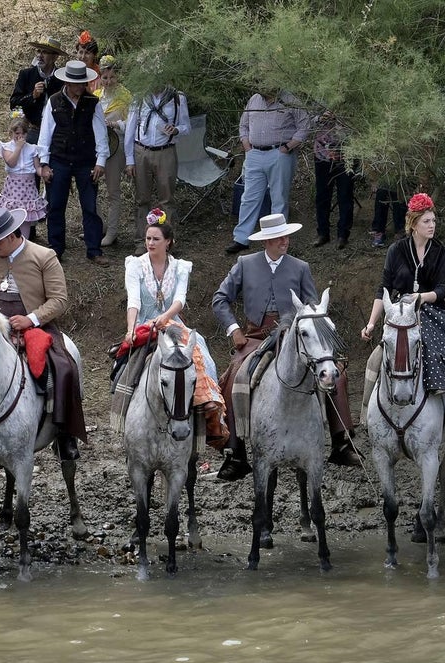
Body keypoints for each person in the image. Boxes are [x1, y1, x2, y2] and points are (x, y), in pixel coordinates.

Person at [211, 214, 359, 481]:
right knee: (234, 378)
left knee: (338, 374)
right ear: (267, 240)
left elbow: (314, 308)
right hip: (255, 337)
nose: (285, 241)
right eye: (280, 237)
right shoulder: (244, 264)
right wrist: (234, 329)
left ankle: (341, 441)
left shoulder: (300, 267)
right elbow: (220, 299)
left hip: (296, 338)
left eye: (287, 236)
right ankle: (236, 452)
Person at [0, 207, 86, 459]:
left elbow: (59, 300)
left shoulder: (44, 256)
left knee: (64, 366)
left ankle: (64, 432)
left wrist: (30, 319)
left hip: (33, 324)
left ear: (11, 236)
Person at [359, 194, 445, 442]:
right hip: (400, 312)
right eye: (426, 221)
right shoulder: (396, 250)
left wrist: (420, 298)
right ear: (414, 224)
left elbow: (442, 289)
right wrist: (371, 323)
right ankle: (367, 415)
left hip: (433, 310)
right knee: (375, 359)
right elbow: (383, 288)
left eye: (433, 220)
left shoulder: (442, 252)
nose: (432, 225)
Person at [120, 210, 226, 438]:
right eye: (148, 238)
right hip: (144, 324)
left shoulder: (180, 267)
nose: (150, 243)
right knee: (125, 363)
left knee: (201, 352)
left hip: (172, 323)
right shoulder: (135, 265)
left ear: (168, 242)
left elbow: (180, 298)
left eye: (156, 239)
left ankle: (208, 405)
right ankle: (122, 411)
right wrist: (131, 329)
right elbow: (134, 300)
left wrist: (166, 317)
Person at [37, 61, 110, 266]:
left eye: (83, 83)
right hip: (59, 159)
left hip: (86, 161)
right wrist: (44, 163)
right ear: (68, 83)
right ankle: (55, 249)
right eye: (78, 83)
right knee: (56, 206)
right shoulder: (54, 101)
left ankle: (94, 249)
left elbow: (101, 134)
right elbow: (45, 134)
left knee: (90, 206)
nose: (82, 87)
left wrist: (100, 161)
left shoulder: (93, 102)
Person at [227, 89, 309, 254]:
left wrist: (287, 147)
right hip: (254, 154)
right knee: (249, 197)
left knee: (278, 197)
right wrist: (247, 147)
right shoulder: (254, 100)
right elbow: (243, 125)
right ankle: (242, 238)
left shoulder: (290, 100)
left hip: (279, 153)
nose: (261, 86)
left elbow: (305, 126)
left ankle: (276, 239)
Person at [123, 84, 189, 255]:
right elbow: (130, 128)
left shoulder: (177, 97)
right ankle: (141, 241)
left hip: (165, 152)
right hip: (141, 151)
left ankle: (167, 242)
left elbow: (186, 127)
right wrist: (130, 160)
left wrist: (176, 130)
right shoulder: (139, 97)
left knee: (166, 199)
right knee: (141, 199)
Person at [93, 55, 131, 247]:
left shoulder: (125, 97)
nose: (108, 81)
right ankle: (98, 226)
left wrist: (116, 124)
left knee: (113, 191)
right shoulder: (96, 95)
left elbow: (133, 124)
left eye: (112, 77)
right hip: (98, 148)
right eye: (105, 77)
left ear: (118, 76)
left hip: (116, 149)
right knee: (92, 188)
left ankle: (113, 231)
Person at [0, 116, 46, 237]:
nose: (20, 137)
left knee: (25, 218)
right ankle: (11, 243)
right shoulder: (6, 147)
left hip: (28, 189)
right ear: (11, 133)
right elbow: (11, 162)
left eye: (23, 133)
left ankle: (24, 242)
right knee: (11, 217)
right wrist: (18, 148)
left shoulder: (32, 149)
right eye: (17, 133)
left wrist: (43, 172)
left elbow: (37, 167)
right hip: (13, 188)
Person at [9, 37, 67, 145]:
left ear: (55, 57)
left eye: (45, 52)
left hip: (56, 133)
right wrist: (32, 96)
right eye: (38, 51)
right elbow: (14, 104)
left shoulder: (62, 78)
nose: (40, 55)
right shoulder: (26, 74)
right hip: (32, 131)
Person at [312, 111, 354, 249]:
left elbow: (357, 123)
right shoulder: (316, 99)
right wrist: (319, 118)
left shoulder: (351, 101)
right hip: (321, 155)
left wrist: (340, 117)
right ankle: (323, 233)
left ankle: (343, 234)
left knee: (345, 195)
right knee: (322, 196)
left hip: (345, 155)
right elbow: (306, 121)